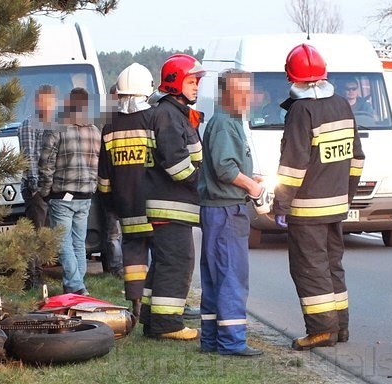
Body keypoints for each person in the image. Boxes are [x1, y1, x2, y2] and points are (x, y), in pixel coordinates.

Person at [273, 44, 365, 350]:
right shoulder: (341, 105)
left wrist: (280, 204)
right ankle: (340, 327)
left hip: (307, 209)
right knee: (332, 265)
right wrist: (346, 196)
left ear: (292, 78)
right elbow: (357, 158)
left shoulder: (301, 111)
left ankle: (322, 331)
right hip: (336, 206)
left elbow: (292, 166)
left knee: (310, 268)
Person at [198, 69, 267, 356]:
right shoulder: (226, 124)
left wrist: (252, 177)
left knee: (216, 276)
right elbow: (225, 168)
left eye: (247, 92)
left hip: (219, 210)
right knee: (231, 276)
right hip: (226, 210)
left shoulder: (230, 122)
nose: (245, 98)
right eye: (238, 92)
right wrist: (253, 186)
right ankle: (231, 342)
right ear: (225, 94)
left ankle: (212, 339)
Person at [141, 54, 205, 340]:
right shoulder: (168, 115)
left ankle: (151, 319)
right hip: (171, 205)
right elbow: (178, 166)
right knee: (177, 262)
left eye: (197, 82)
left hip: (169, 205)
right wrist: (206, 184)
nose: (196, 87)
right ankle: (167, 325)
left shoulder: (174, 113)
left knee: (164, 263)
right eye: (192, 81)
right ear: (175, 82)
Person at [97, 63, 156, 323]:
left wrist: (109, 202)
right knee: (162, 254)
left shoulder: (110, 127)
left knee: (133, 255)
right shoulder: (154, 118)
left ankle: (136, 304)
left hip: (125, 203)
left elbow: (104, 173)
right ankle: (159, 305)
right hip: (154, 200)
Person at [38, 88, 101, 295]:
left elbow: (46, 163)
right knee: (78, 243)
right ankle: (75, 285)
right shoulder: (94, 131)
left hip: (62, 194)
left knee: (63, 242)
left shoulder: (57, 128)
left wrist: (45, 190)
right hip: (86, 195)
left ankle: (76, 286)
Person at [18, 85, 58, 289]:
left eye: (52, 102)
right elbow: (29, 159)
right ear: (37, 103)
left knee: (45, 234)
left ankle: (40, 274)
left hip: (51, 189)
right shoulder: (29, 126)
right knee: (35, 233)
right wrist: (36, 189)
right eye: (45, 102)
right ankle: (32, 277)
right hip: (36, 190)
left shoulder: (54, 125)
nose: (49, 106)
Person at [99, 84, 124, 279]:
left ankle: (121, 267)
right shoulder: (106, 123)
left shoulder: (120, 123)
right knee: (113, 233)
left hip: (123, 188)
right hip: (112, 189)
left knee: (120, 233)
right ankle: (115, 268)